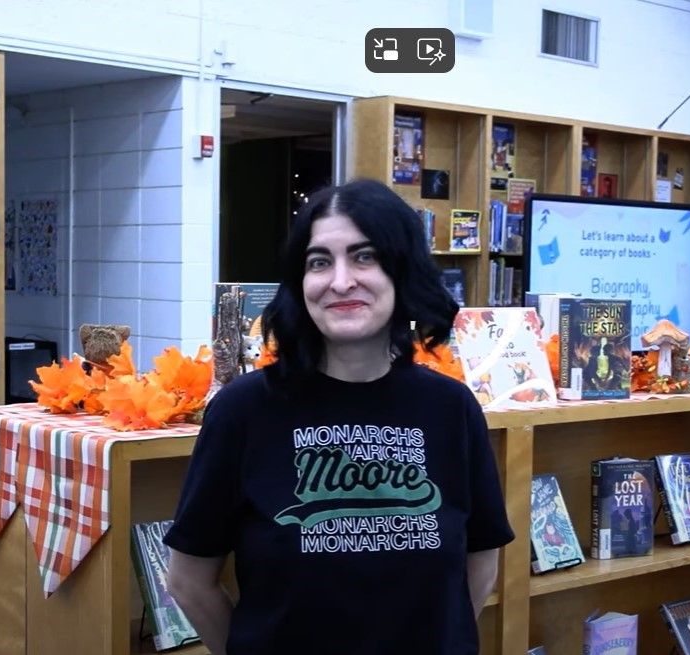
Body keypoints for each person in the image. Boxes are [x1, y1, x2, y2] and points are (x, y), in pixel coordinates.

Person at [162, 178, 515, 655]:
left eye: (365, 256)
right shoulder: (244, 411)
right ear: (299, 281)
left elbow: (481, 564)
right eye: (319, 262)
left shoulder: (451, 407)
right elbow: (188, 581)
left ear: (401, 270)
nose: (341, 280)